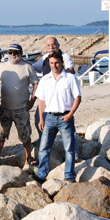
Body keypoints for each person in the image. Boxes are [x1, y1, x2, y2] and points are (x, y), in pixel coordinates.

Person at [32, 52, 82, 184]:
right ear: (49, 64)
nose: (54, 66)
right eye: (51, 63)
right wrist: (41, 118)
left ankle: (69, 175)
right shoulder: (45, 79)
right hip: (49, 117)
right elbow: (41, 100)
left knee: (69, 149)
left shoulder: (70, 78)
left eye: (57, 63)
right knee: (43, 148)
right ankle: (42, 174)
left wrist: (70, 115)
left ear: (62, 63)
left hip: (65, 117)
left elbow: (78, 97)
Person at [0, 44, 39, 167]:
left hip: (21, 109)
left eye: (16, 52)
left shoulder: (27, 67)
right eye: (10, 52)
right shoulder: (2, 67)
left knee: (25, 134)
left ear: (21, 53)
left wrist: (32, 101)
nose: (13, 55)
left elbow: (36, 84)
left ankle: (29, 157)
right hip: (5, 107)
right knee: (0, 134)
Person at [32, 37, 76, 149]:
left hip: (61, 98)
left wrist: (62, 74)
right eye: (48, 45)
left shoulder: (65, 57)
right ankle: (44, 141)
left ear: (58, 45)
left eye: (53, 44)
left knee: (68, 129)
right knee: (39, 119)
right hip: (47, 96)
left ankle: (73, 153)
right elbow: (33, 68)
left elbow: (71, 69)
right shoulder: (44, 58)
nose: (50, 47)